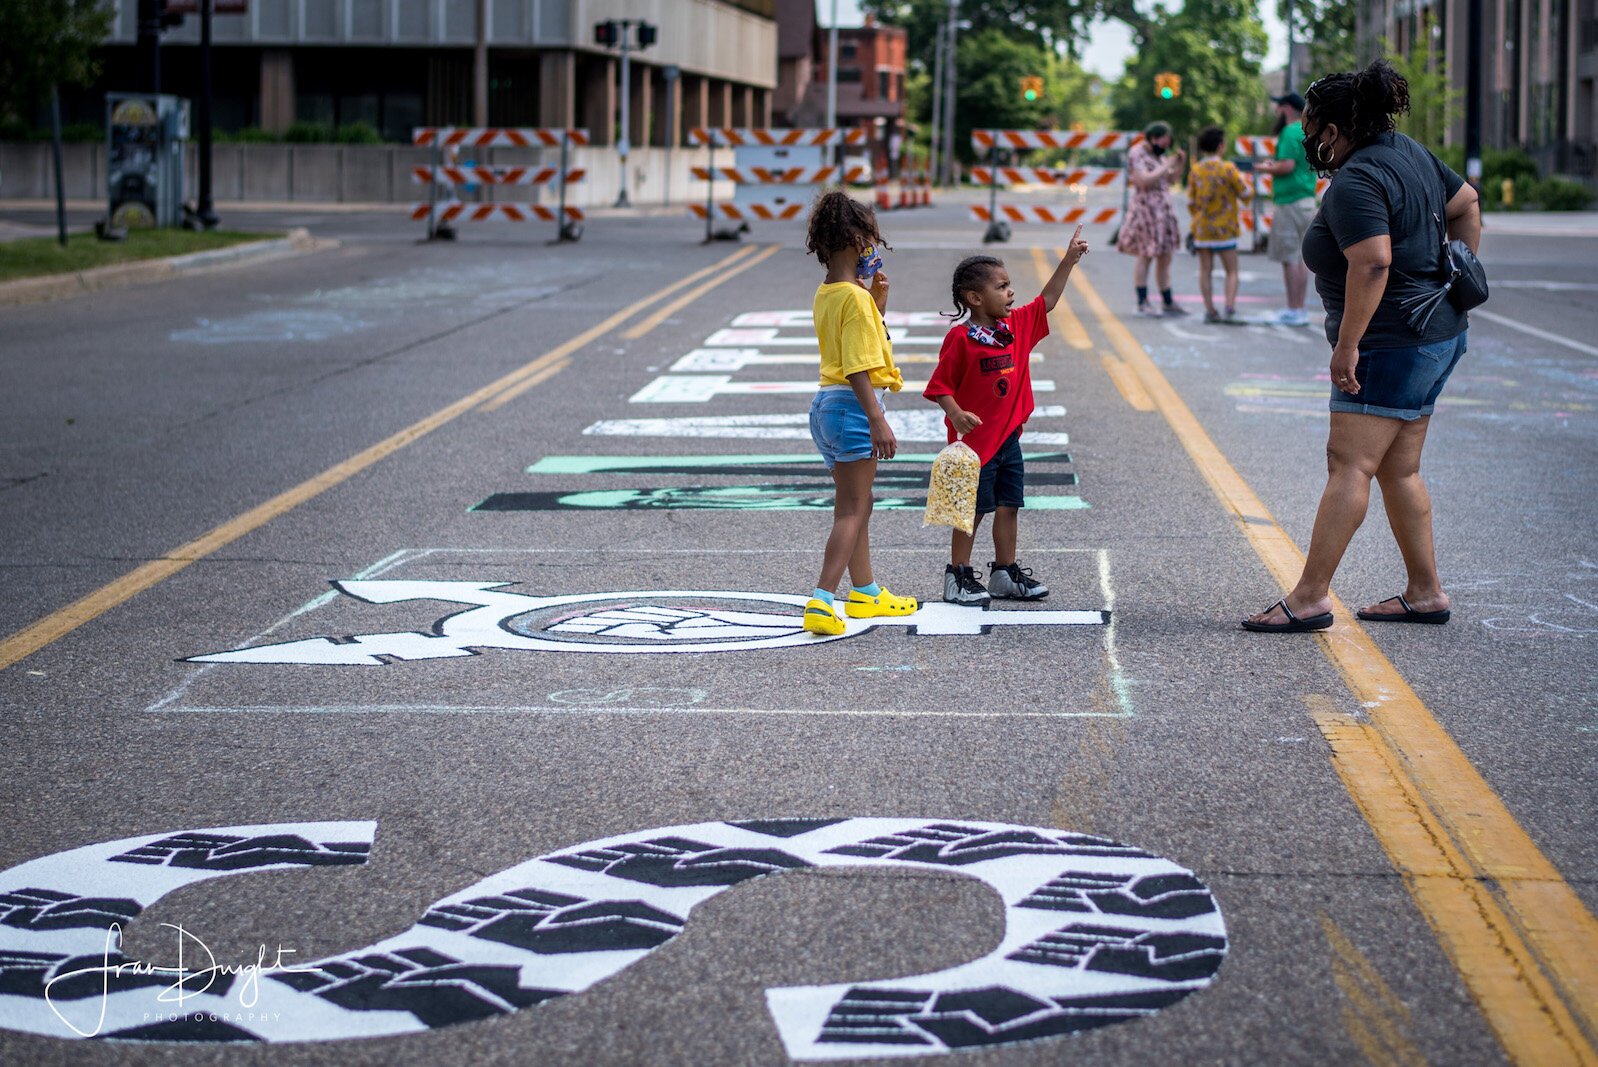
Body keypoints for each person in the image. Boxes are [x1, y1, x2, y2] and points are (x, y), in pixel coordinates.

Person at [1243, 59, 1481, 633]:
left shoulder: (1357, 180)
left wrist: (1347, 346)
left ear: (1331, 129)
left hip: (1389, 343)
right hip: (1437, 334)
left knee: (1348, 462)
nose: (1307, 137)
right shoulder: (1411, 153)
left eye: (1311, 126)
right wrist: (1454, 274)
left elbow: (1373, 262)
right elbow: (1467, 203)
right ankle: (1425, 593)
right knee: (1399, 468)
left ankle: (1308, 598)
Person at [924, 226, 1091, 606]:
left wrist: (1069, 259)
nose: (1010, 292)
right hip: (974, 448)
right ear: (975, 298)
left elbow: (1046, 300)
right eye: (1001, 287)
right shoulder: (961, 339)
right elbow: (940, 386)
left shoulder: (1014, 328)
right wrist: (956, 412)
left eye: (1009, 284)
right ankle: (959, 575)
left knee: (1008, 505)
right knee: (971, 509)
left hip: (1008, 440)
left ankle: (1004, 571)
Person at [801, 190, 918, 636]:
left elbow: (861, 345)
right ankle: (823, 599)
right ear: (853, 238)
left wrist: (878, 304)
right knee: (851, 509)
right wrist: (878, 419)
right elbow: (857, 367)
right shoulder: (854, 299)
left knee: (859, 503)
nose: (873, 243)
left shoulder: (832, 292)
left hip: (827, 408)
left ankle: (865, 592)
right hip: (852, 408)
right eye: (868, 235)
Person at [1254, 91, 1316, 327]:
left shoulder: (1290, 131)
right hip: (1307, 199)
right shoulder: (1306, 130)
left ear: (1287, 108)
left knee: (1289, 257)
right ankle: (1299, 308)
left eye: (1278, 107)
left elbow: (1287, 165)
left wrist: (1266, 168)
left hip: (1289, 201)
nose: (1276, 112)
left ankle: (1293, 308)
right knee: (1299, 258)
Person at [1117, 122, 1187, 318]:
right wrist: (1166, 164)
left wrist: (1179, 163)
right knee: (1145, 254)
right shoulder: (1136, 153)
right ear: (1153, 138)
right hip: (1146, 213)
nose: (1165, 146)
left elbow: (1170, 179)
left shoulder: (1159, 155)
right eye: (1163, 142)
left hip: (1163, 213)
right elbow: (1144, 181)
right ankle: (1142, 301)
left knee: (1165, 256)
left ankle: (1167, 300)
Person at [1186, 125, 1252, 324]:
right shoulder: (1228, 169)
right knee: (1231, 270)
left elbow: (1191, 202)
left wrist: (1198, 217)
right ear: (1221, 146)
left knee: (1205, 270)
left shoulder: (1196, 170)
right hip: (1225, 229)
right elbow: (1245, 192)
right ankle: (1229, 308)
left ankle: (1210, 310)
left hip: (1203, 229)